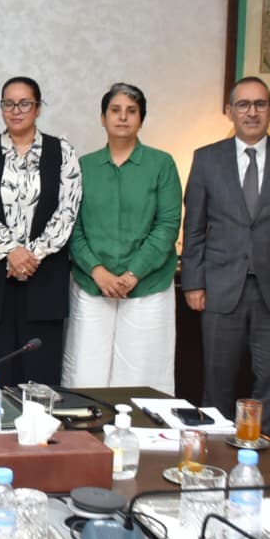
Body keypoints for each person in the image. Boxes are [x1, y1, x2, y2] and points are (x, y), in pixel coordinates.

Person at [181, 76, 270, 438]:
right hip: (220, 287)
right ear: (229, 111)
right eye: (243, 104)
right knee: (216, 378)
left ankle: (267, 453)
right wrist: (193, 282)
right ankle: (213, 449)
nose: (252, 112)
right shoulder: (206, 159)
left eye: (260, 104)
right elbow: (193, 228)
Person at [0, 76, 82, 387]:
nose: (16, 110)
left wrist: (32, 255)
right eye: (9, 103)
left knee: (39, 379)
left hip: (44, 280)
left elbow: (67, 209)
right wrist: (11, 251)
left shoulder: (62, 151)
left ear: (38, 108)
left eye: (24, 103)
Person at [65, 83, 181, 393]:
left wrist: (133, 274)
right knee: (86, 373)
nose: (123, 117)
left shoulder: (162, 164)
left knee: (141, 375)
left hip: (147, 284)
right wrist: (97, 271)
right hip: (92, 283)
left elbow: (168, 225)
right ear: (102, 118)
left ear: (142, 119)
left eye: (131, 111)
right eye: (115, 110)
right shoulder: (83, 166)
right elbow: (72, 227)